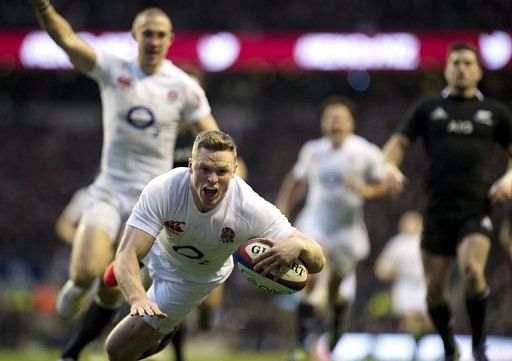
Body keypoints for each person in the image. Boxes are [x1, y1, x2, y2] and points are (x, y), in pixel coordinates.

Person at [30, 2, 221, 360]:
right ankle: (78, 286)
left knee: (113, 288)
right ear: (135, 36)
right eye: (147, 33)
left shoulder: (183, 86)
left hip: (151, 202)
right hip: (108, 190)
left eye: (161, 34)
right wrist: (42, 6)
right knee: (87, 272)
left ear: (170, 40)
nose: (154, 40)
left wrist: (228, 177)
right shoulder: (113, 69)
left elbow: (214, 139)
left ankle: (74, 351)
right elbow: (67, 40)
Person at [103, 130, 325, 361]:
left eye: (222, 172)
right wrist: (138, 298)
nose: (212, 179)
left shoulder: (249, 207)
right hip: (157, 247)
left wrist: (299, 247)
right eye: (205, 169)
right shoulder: (164, 189)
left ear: (234, 171)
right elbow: (127, 251)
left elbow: (318, 260)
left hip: (192, 277)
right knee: (119, 267)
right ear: (190, 166)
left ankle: (171, 326)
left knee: (117, 350)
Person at [382, 42, 512, 361]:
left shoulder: (495, 113)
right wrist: (388, 166)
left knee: (471, 270)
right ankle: (448, 346)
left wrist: (510, 178)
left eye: (468, 63)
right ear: (446, 69)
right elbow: (398, 142)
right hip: (437, 210)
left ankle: (479, 344)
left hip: (476, 208)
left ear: (479, 71)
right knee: (434, 292)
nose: (462, 68)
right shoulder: (428, 108)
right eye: (456, 62)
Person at [275, 96, 390, 360]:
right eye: (330, 118)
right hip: (315, 223)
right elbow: (297, 179)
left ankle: (338, 319)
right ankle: (303, 343)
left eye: (340, 118)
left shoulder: (365, 151)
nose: (334, 122)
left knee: (335, 290)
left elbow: (386, 184)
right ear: (323, 122)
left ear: (351, 123)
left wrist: (367, 190)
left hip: (347, 232)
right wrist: (283, 206)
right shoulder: (312, 150)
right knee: (309, 278)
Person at [374, 210, 431, 341]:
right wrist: (397, 272)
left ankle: (426, 346)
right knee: (408, 320)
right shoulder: (397, 244)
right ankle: (408, 348)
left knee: (428, 319)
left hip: (424, 284)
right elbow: (381, 269)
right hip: (405, 286)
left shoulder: (426, 241)